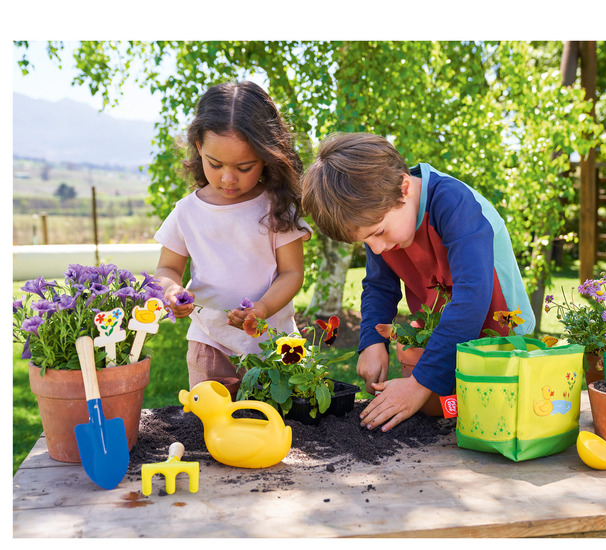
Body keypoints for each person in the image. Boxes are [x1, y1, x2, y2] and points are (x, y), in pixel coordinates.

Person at [301, 132, 534, 432]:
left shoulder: (454, 204)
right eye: (365, 241)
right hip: (446, 338)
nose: (375, 249)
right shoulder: (382, 219)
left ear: (405, 188)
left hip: (501, 336)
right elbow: (379, 287)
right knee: (450, 424)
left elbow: (471, 299)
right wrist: (372, 341)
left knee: (496, 425)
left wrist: (418, 384)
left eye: (379, 232)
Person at [154, 81, 311, 387]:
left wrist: (262, 309)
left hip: (273, 344)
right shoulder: (187, 212)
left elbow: (292, 273)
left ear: (266, 155)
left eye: (244, 167)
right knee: (213, 422)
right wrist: (171, 292)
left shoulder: (275, 208)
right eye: (215, 164)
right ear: (199, 147)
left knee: (274, 422)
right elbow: (167, 268)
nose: (228, 178)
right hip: (209, 342)